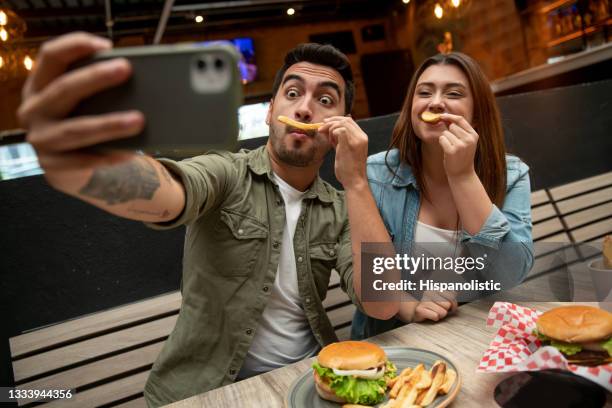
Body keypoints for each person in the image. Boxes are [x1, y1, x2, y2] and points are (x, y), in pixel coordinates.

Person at [17, 33, 399, 406]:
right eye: (293, 93)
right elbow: (169, 193)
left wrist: (357, 182)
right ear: (270, 111)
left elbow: (382, 306)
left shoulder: (342, 205)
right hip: (206, 393)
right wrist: (91, 165)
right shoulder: (226, 174)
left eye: (325, 99)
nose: (303, 109)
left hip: (306, 384)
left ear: (342, 125)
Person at [350, 52, 534, 340]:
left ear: (477, 111)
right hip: (395, 341)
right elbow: (368, 278)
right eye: (424, 92)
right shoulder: (376, 175)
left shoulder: (512, 175)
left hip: (480, 336)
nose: (435, 102)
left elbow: (509, 273)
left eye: (454, 93)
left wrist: (463, 177)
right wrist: (409, 307)